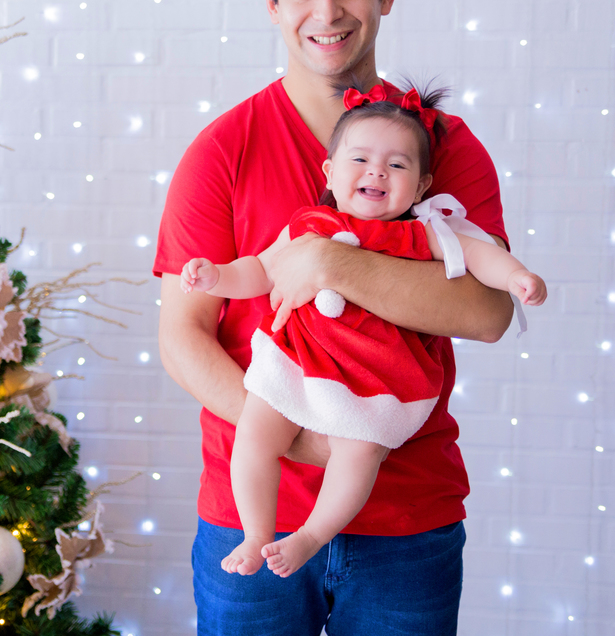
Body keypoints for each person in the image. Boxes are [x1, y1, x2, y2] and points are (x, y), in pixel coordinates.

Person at [154, 0, 518, 636]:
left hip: (406, 520)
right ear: (272, 4)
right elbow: (182, 336)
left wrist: (333, 264)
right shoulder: (222, 151)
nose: (328, 11)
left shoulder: (442, 148)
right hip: (248, 513)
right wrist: (300, 434)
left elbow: (487, 313)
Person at [178, 84, 547, 581]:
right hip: (298, 364)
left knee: (358, 453)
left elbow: (481, 256)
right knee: (255, 436)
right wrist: (216, 276)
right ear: (329, 173)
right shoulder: (309, 223)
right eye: (361, 159)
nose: (377, 171)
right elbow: (260, 271)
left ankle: (312, 535)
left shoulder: (424, 232)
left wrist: (516, 277)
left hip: (376, 381)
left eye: (397, 165)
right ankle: (255, 533)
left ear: (420, 187)